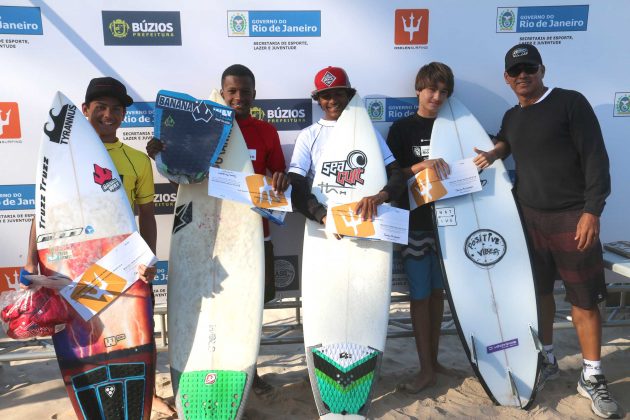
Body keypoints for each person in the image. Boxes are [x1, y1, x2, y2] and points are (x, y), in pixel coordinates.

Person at [473, 44, 621, 419]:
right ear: (507, 78)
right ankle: (547, 359)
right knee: (538, 295)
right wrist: (494, 153)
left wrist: (592, 211)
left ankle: (592, 375)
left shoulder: (570, 102)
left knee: (584, 301)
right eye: (515, 71)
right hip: (528, 218)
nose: (523, 75)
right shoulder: (511, 116)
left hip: (573, 217)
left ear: (542, 69)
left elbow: (595, 158)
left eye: (530, 68)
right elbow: (510, 139)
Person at [21, 77, 173, 417]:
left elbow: (147, 216)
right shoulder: (66, 159)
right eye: (100, 107)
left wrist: (149, 259)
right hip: (75, 269)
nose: (108, 114)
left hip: (122, 266)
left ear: (123, 115)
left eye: (116, 109)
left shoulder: (136, 160)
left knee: (136, 336)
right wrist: (30, 261)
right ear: (85, 109)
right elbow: (46, 215)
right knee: (86, 341)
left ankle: (145, 396)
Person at [146, 64, 288, 396]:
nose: (239, 97)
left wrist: (282, 179)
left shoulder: (266, 131)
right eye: (232, 91)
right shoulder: (201, 129)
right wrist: (162, 159)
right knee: (211, 302)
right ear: (222, 92)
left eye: (245, 91)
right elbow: (183, 177)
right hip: (205, 233)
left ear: (255, 93)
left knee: (248, 305)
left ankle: (248, 367)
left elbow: (279, 178)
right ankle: (208, 361)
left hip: (252, 236)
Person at [385, 62, 453, 393]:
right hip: (414, 224)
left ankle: (435, 361)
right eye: (431, 89)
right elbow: (391, 176)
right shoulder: (401, 128)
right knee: (420, 296)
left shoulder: (455, 127)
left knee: (439, 294)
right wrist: (421, 165)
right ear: (418, 90)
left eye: (443, 91)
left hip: (449, 225)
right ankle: (425, 368)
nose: (437, 96)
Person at [288, 66, 405, 223]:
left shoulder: (368, 132)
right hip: (323, 225)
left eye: (339, 94)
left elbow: (396, 173)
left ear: (349, 96)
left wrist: (381, 196)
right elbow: (296, 183)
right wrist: (322, 216)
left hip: (367, 220)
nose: (333, 100)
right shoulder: (308, 135)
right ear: (318, 100)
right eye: (326, 96)